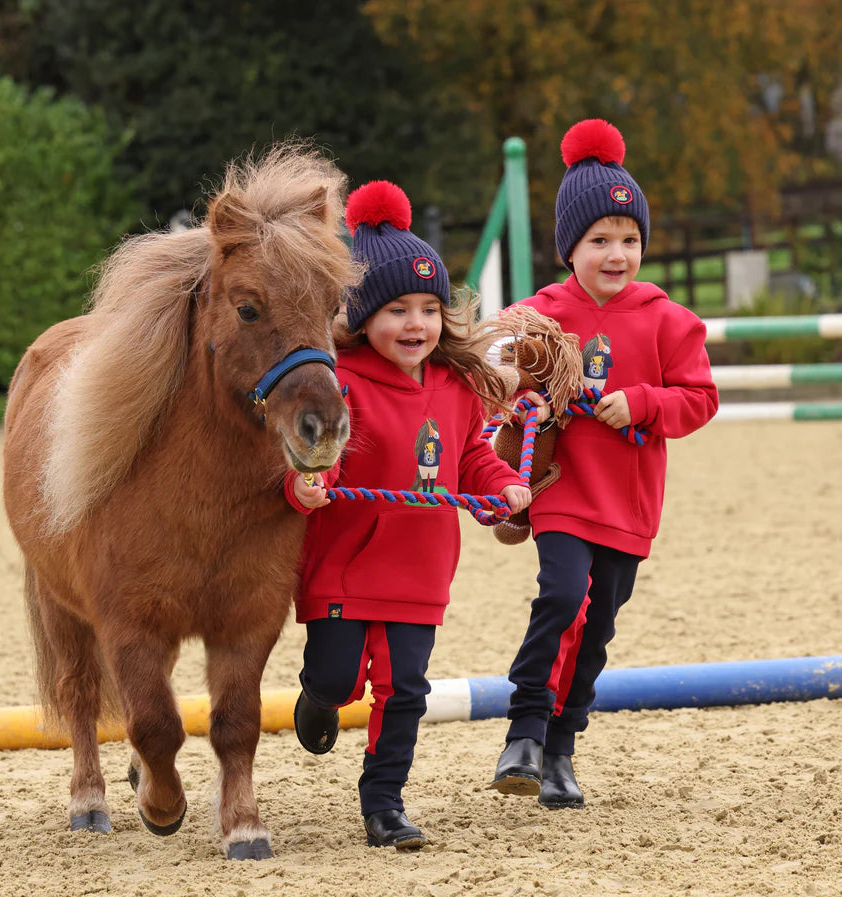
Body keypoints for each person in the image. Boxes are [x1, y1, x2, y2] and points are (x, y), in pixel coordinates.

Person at [284, 179, 532, 850]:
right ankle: (318, 697)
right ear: (362, 315)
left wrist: (504, 486)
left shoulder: (456, 386)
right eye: (397, 309)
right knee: (337, 678)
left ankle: (384, 804)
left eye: (428, 307)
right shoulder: (341, 379)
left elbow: (472, 457)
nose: (416, 323)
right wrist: (310, 482)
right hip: (343, 565)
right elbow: (320, 451)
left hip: (418, 571)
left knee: (405, 691)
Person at [489, 119, 719, 810]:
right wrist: (512, 389)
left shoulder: (669, 320)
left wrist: (645, 402)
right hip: (562, 489)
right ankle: (524, 731)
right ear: (569, 247)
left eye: (630, 239)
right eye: (600, 241)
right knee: (562, 598)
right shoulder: (535, 315)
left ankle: (561, 751)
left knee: (597, 630)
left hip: (629, 500)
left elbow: (700, 398)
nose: (617, 254)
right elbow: (494, 366)